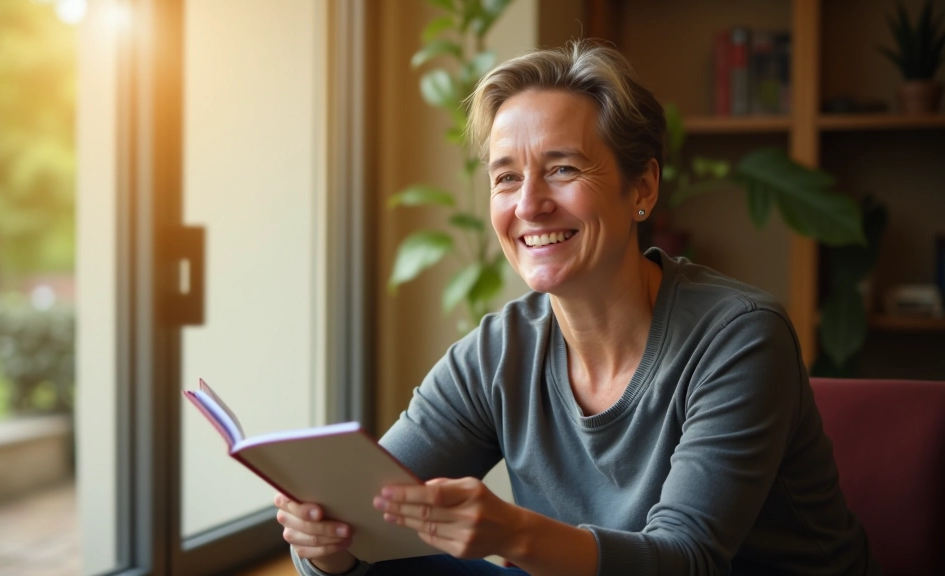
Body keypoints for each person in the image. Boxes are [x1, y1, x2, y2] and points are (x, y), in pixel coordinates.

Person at [277, 40, 878, 576]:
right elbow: (362, 513)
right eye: (506, 178)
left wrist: (515, 532)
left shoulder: (740, 336)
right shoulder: (496, 353)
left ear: (641, 188)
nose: (530, 205)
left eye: (562, 169)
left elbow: (689, 560)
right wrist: (326, 546)